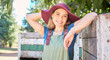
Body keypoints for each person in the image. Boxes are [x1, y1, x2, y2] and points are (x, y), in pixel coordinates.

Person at [26, 3, 97, 60]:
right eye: (57, 14)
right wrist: (47, 12)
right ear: (52, 15)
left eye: (64, 16)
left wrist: (72, 31)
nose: (60, 18)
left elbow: (92, 15)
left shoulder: (70, 30)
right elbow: (29, 17)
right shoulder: (46, 32)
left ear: (67, 18)